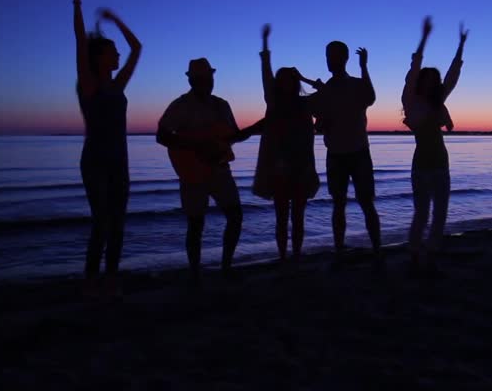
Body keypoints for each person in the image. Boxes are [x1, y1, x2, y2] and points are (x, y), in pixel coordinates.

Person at [71, 0, 142, 297]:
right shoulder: (89, 84)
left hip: (119, 162)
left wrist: (117, 21)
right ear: (99, 58)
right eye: (112, 51)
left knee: (118, 224)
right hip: (96, 161)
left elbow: (137, 48)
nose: (117, 55)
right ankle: (90, 280)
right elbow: (78, 41)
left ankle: (111, 279)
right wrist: (77, 2)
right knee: (102, 223)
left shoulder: (117, 85)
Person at [156, 58, 243, 283]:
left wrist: (237, 137)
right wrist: (195, 147)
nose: (208, 81)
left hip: (221, 169)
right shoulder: (180, 105)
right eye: (203, 78)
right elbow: (162, 135)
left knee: (235, 216)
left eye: (210, 77)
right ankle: (195, 272)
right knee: (195, 224)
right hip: (192, 173)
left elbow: (231, 135)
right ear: (193, 80)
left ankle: (226, 266)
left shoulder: (222, 105)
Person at [237, 24, 319, 262]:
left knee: (299, 217)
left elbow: (324, 93)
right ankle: (284, 257)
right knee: (282, 217)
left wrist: (303, 76)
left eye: (289, 79)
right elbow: (265, 71)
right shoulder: (273, 102)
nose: (284, 82)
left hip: (302, 167)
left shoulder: (306, 104)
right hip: (279, 168)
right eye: (281, 79)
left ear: (294, 82)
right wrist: (264, 44)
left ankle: (296, 255)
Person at [307, 39, 382, 270]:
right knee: (338, 204)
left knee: (366, 202)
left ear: (345, 58)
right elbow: (318, 125)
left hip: (359, 152)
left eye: (335, 56)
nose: (331, 60)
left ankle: (377, 249)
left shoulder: (356, 85)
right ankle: (340, 247)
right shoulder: (326, 90)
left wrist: (364, 67)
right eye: (328, 55)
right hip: (336, 155)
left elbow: (370, 97)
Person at [401, 16, 468, 273]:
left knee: (440, 212)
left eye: (433, 79)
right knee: (421, 213)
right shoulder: (411, 101)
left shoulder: (440, 100)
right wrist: (425, 37)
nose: (430, 82)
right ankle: (415, 252)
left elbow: (453, 75)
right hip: (421, 165)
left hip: (441, 161)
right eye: (425, 79)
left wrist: (461, 45)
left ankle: (431, 251)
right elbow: (415, 66)